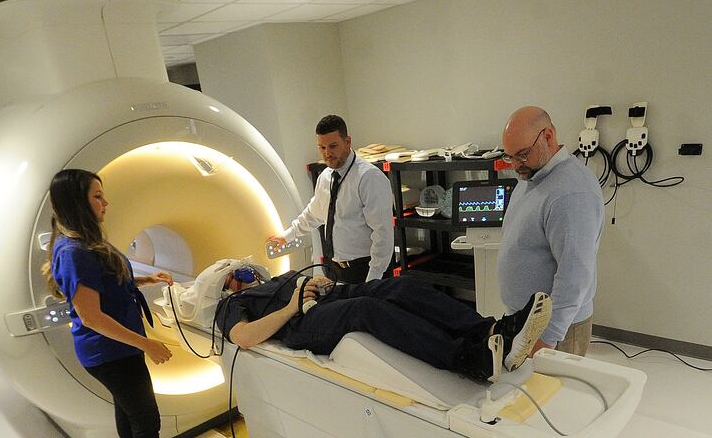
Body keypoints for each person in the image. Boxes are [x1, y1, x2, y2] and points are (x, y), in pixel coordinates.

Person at [216, 270, 553, 382]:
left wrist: (315, 283)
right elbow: (244, 337)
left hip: (325, 297)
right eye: (236, 274)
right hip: (301, 322)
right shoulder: (231, 304)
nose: (246, 274)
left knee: (401, 286)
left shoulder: (278, 276)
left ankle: (492, 331)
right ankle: (468, 359)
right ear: (227, 284)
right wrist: (292, 305)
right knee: (367, 310)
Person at [41, 169, 173, 438]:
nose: (106, 203)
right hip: (111, 353)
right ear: (77, 202)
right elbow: (91, 317)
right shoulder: (75, 252)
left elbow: (107, 282)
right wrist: (146, 344)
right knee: (147, 423)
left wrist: (148, 279)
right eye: (98, 196)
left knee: (129, 415)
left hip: (117, 349)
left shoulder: (86, 241)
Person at [498, 106, 605, 357]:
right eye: (509, 157)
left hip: (556, 329)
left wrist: (547, 337)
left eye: (522, 155)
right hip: (526, 320)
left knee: (557, 394)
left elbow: (575, 274)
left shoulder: (571, 192)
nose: (515, 165)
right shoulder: (533, 176)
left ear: (548, 136)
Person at [267, 115, 394, 284]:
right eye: (322, 147)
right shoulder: (325, 177)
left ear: (347, 142)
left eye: (333, 146)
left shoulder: (369, 178)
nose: (327, 153)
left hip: (365, 271)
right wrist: (287, 236)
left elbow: (382, 234)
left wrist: (373, 279)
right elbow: (314, 214)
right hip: (334, 270)